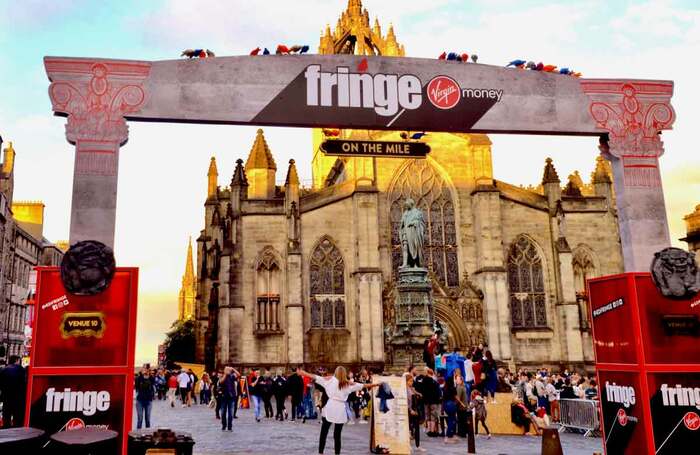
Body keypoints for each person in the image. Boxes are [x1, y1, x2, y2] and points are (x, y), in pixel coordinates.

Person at [299, 366, 378, 455]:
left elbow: (315, 377)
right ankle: (337, 453)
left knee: (324, 432)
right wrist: (376, 384)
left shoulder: (330, 380)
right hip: (340, 409)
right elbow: (362, 385)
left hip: (329, 407)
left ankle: (320, 452)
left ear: (335, 373)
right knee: (337, 435)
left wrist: (304, 373)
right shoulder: (348, 384)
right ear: (345, 374)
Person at [0, 355, 25, 428]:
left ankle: (6, 430)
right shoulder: (21, 370)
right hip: (18, 398)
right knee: (17, 418)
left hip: (6, 397)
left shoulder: (3, 370)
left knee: (6, 416)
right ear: (17, 360)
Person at [406, 374, 426, 453]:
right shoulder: (405, 390)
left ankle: (418, 445)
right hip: (409, 411)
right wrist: (410, 410)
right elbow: (407, 402)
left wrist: (418, 394)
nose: (411, 382)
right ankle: (409, 445)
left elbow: (415, 393)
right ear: (406, 382)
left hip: (415, 410)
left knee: (417, 428)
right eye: (410, 381)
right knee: (409, 429)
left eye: (412, 381)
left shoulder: (411, 388)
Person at [135, 365, 155, 429]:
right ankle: (138, 434)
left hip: (148, 401)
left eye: (147, 370)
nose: (145, 371)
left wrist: (149, 372)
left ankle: (147, 434)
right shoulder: (138, 379)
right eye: (144, 369)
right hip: (140, 401)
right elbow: (137, 386)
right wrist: (141, 373)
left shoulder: (151, 378)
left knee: (148, 419)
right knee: (140, 419)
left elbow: (153, 381)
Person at [220, 366, 240, 431]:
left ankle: (230, 427)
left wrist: (233, 369)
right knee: (223, 412)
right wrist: (225, 374)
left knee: (231, 413)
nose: (228, 371)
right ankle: (224, 425)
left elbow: (239, 375)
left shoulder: (232, 376)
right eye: (227, 369)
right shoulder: (222, 376)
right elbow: (221, 382)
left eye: (229, 370)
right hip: (223, 397)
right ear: (224, 370)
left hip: (231, 397)